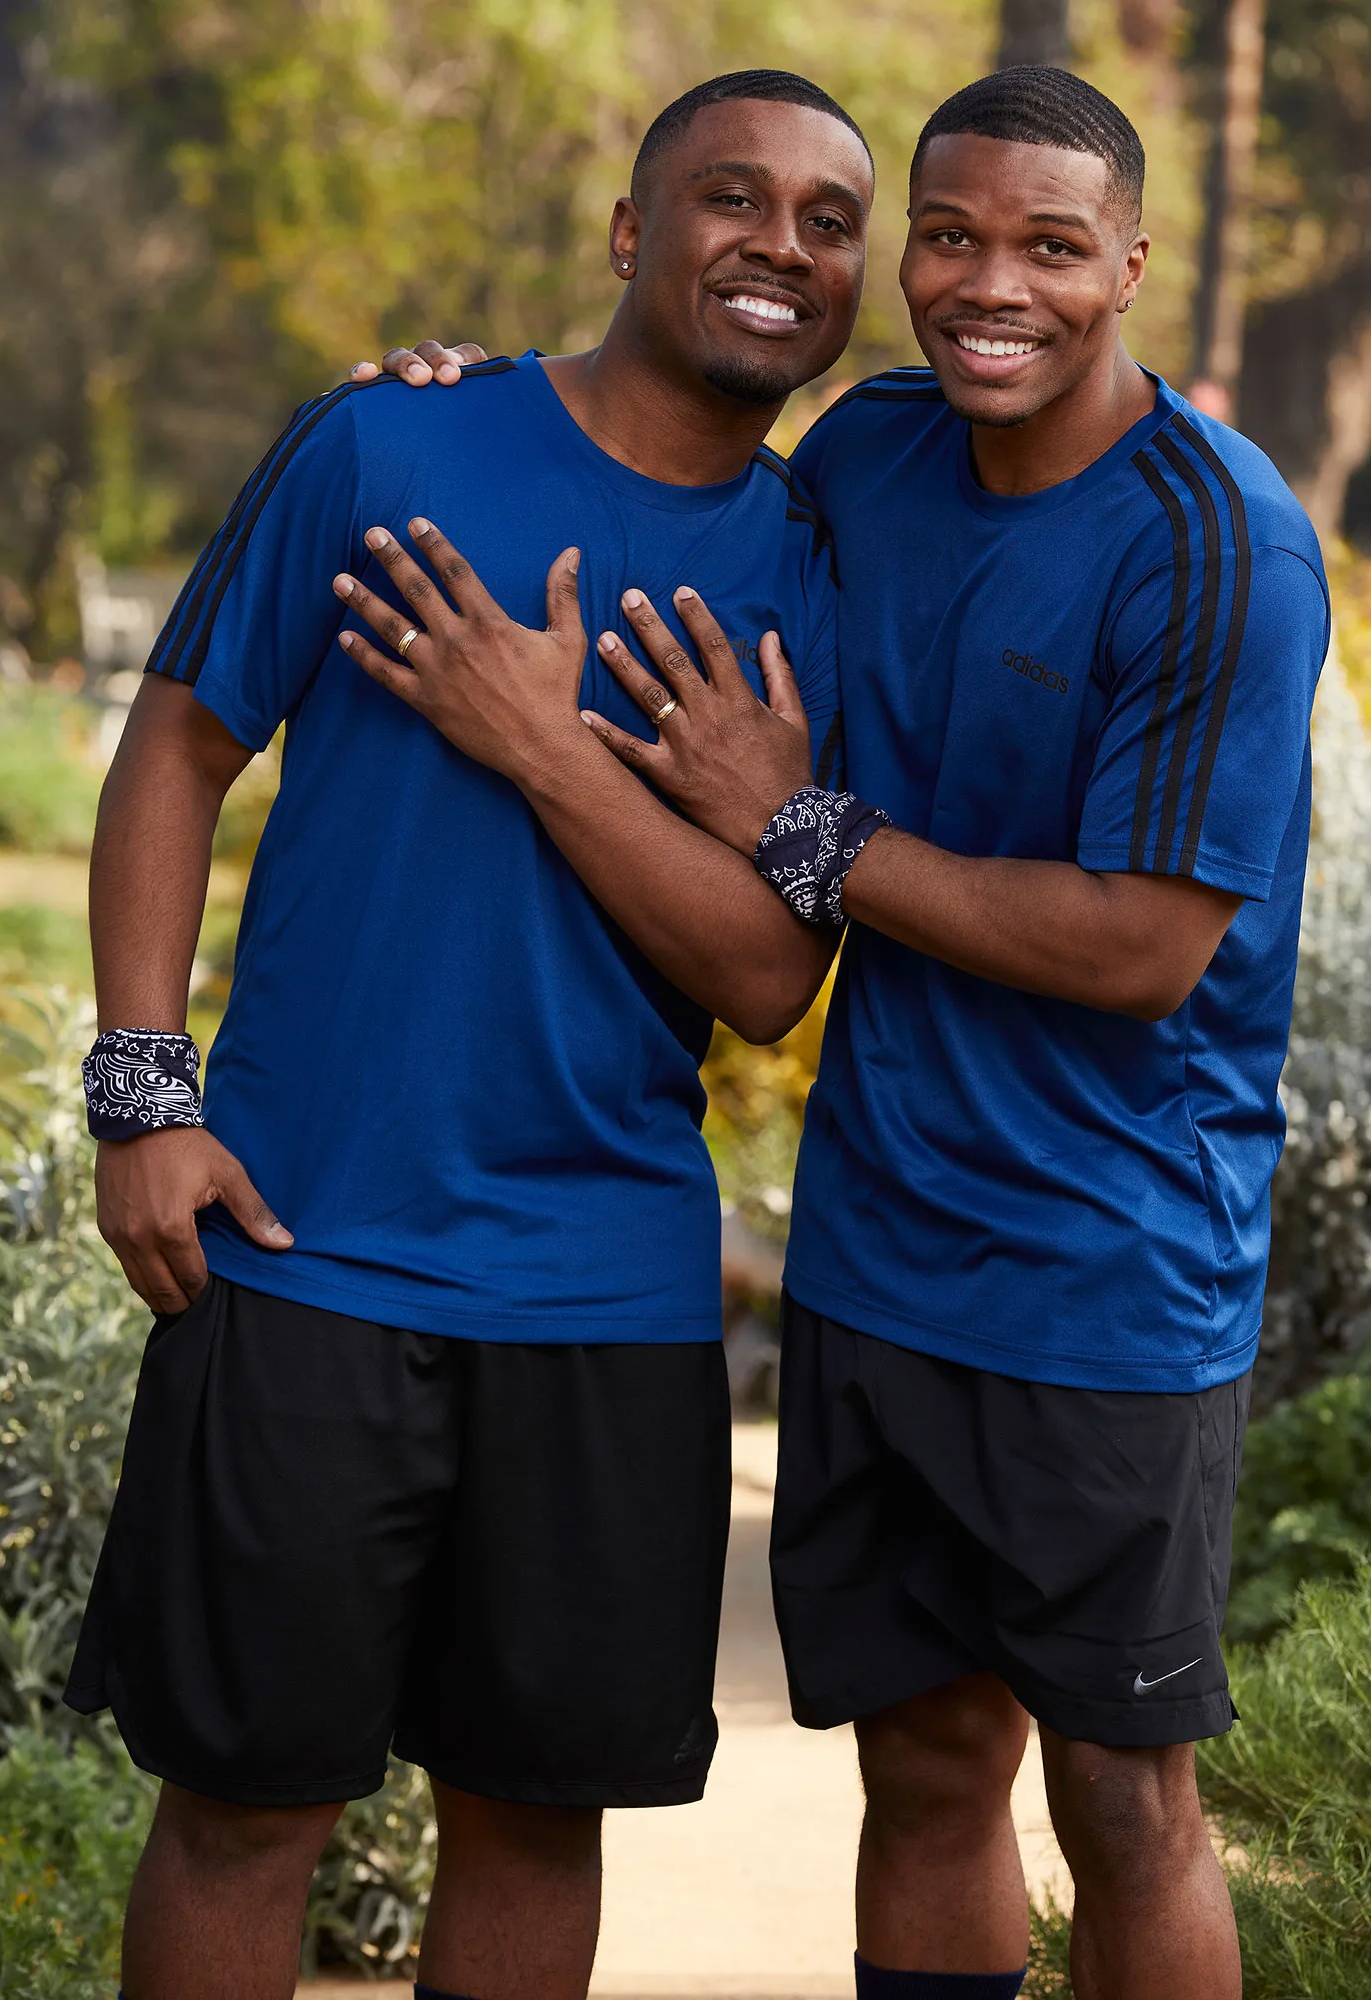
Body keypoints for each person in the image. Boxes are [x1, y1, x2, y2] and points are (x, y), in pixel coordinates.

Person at [372, 65, 1329, 2000]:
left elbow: (1144, 946)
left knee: (1122, 1795)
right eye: (951, 236)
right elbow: (659, 442)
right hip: (880, 1251)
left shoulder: (1218, 540)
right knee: (928, 1765)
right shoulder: (876, 447)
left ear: (1131, 266)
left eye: (1052, 247)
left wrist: (803, 829)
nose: (994, 285)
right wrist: (471, 407)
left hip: (1105, 1279)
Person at [66, 71, 875, 2000]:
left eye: (831, 221)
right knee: (243, 1811)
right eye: (731, 197)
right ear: (628, 230)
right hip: (303, 1247)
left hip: (606, 1296)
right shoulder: (384, 441)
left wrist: (540, 744)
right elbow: (175, 747)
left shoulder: (819, 569)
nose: (779, 245)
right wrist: (141, 1096)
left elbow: (772, 976)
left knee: (533, 1819)